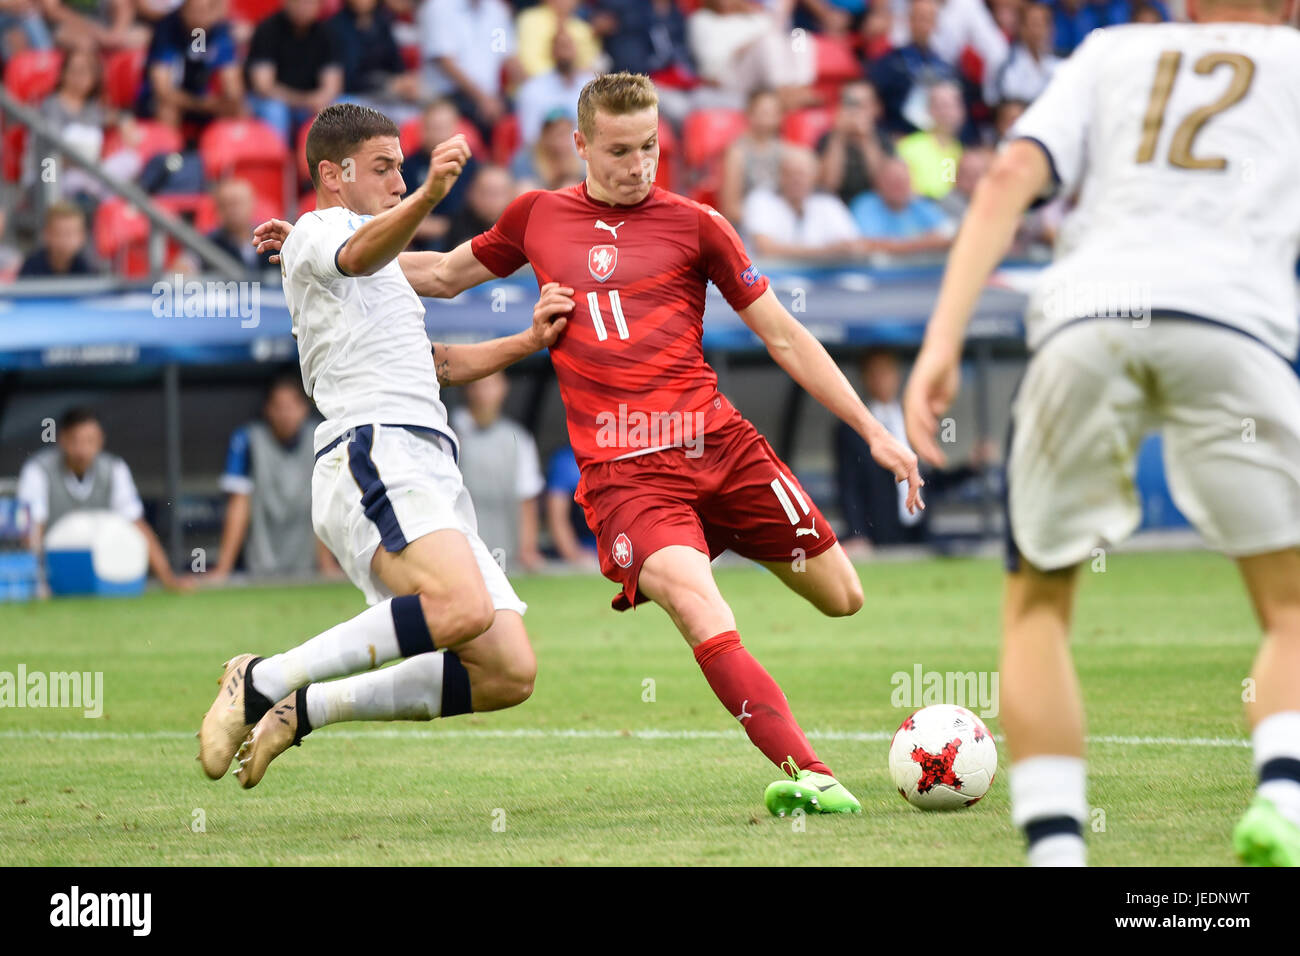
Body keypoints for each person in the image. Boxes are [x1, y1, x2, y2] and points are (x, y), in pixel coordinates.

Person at [253, 73, 925, 815]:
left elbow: (785, 338)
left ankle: (717, 537)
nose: (638, 166)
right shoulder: (537, 216)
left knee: (843, 597)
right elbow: (442, 276)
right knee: (698, 605)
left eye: (650, 148)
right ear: (579, 145)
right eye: (618, 152)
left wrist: (873, 430)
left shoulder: (699, 225)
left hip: (720, 445)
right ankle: (811, 773)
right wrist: (322, 245)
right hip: (628, 475)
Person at [903, 0, 1300, 866]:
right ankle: (1283, 798)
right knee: (1292, 608)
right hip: (1235, 327)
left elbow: (1008, 174)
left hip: (1086, 318)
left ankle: (1056, 852)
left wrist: (941, 343)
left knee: (1037, 608)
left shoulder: (1111, 50)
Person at [199, 103, 569, 789]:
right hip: (372, 448)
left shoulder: (379, 259)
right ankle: (257, 681)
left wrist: (528, 333)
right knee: (459, 608)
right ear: (333, 176)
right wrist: (432, 192)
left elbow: (447, 324)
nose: (399, 181)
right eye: (384, 168)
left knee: (507, 669)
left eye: (403, 168)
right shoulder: (320, 229)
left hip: (425, 459)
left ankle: (299, 709)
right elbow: (357, 250)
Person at [16, 406, 191, 593]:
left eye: (90, 440)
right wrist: (40, 582)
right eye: (76, 441)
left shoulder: (115, 469)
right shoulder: (38, 470)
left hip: (103, 572)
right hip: (55, 570)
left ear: (101, 440)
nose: (83, 449)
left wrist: (167, 578)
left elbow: (136, 524)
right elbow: (32, 530)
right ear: (63, 439)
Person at [835, 349, 986, 555]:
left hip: (919, 529)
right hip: (880, 534)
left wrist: (969, 467)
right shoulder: (853, 428)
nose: (882, 380)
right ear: (865, 378)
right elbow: (848, 486)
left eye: (887, 372)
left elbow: (928, 477)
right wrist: (858, 532)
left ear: (897, 375)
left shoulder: (913, 419)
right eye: (875, 373)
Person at [210, 375, 338, 581]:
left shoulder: (320, 437)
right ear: (268, 410)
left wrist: (326, 564)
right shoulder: (248, 439)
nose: (286, 414)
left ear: (304, 408)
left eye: (292, 406)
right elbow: (239, 505)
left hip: (309, 568)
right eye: (279, 406)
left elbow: (325, 501)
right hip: (260, 566)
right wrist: (223, 569)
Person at [451, 372, 546, 573]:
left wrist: (528, 549)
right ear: (467, 389)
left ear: (504, 388)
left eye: (491, 384)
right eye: (478, 385)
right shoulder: (449, 436)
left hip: (506, 555)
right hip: (458, 551)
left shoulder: (518, 438)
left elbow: (527, 498)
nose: (484, 393)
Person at [135, 0, 242, 137]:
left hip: (203, 99)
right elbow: (162, 90)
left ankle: (229, 156)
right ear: (183, 10)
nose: (199, 17)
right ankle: (169, 156)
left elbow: (233, 87)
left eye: (205, 11)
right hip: (165, 100)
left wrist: (223, 102)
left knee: (237, 108)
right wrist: (199, 104)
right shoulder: (166, 31)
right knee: (167, 110)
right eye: (195, 11)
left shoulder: (219, 33)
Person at [245, 0, 344, 146]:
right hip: (273, 101)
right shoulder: (267, 29)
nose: (303, 7)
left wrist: (319, 99)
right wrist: (303, 101)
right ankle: (278, 163)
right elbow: (263, 86)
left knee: (346, 105)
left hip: (309, 102)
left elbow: (333, 85)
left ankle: (333, 163)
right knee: (275, 110)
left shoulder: (327, 33)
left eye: (309, 3)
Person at [416, 0, 520, 137]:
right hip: (448, 96)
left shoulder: (496, 9)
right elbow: (445, 61)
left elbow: (507, 56)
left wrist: (537, 88)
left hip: (491, 96)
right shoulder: (438, 7)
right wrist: (483, 99)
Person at [742, 146, 864, 261]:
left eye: (802, 174)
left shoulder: (828, 204)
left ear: (815, 176)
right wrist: (827, 252)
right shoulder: (760, 200)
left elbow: (853, 245)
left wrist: (839, 250)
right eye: (790, 173)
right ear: (780, 176)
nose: (796, 180)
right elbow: (766, 249)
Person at [850, 157, 953, 256]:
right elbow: (868, 244)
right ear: (877, 183)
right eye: (892, 182)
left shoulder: (919, 204)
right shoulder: (866, 205)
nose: (899, 186)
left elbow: (948, 234)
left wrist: (907, 245)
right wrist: (924, 243)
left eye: (903, 181)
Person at [514, 27, 595, 147]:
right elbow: (530, 138)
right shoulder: (532, 89)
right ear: (551, 51)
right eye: (561, 46)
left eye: (569, 45)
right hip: (546, 158)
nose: (565, 51)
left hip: (585, 157)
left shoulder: (592, 87)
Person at [719, 87, 789, 226]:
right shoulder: (737, 153)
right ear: (750, 114)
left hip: (781, 223)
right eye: (763, 111)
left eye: (773, 111)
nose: (768, 116)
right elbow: (730, 207)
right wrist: (765, 221)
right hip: (751, 225)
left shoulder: (787, 151)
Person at [817, 80, 891, 206]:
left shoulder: (883, 139)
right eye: (850, 104)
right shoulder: (827, 139)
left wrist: (866, 139)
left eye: (861, 105)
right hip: (836, 205)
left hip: (875, 206)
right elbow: (828, 185)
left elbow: (884, 186)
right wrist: (839, 136)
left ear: (875, 108)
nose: (855, 111)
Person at [895, 80, 965, 200]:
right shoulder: (908, 147)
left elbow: (950, 188)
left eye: (951, 106)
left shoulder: (959, 151)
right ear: (929, 110)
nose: (946, 113)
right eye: (940, 106)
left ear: (961, 111)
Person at [985, 2, 1060, 106]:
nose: (1040, 31)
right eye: (1035, 24)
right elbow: (1005, 100)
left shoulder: (1056, 64)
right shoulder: (1006, 61)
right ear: (1022, 28)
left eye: (1045, 24)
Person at [543, 445, 598, 568]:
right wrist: (574, 554)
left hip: (618, 550)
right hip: (580, 553)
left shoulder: (625, 456)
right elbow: (557, 519)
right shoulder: (566, 460)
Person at [206, 178, 278, 271]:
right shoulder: (209, 244)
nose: (232, 211)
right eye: (226, 205)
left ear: (252, 204)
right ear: (218, 210)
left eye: (237, 203)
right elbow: (187, 266)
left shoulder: (271, 240)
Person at [19, 201, 99, 277]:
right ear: (46, 234)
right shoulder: (31, 267)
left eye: (70, 234)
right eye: (58, 233)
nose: (64, 240)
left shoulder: (88, 268)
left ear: (82, 236)